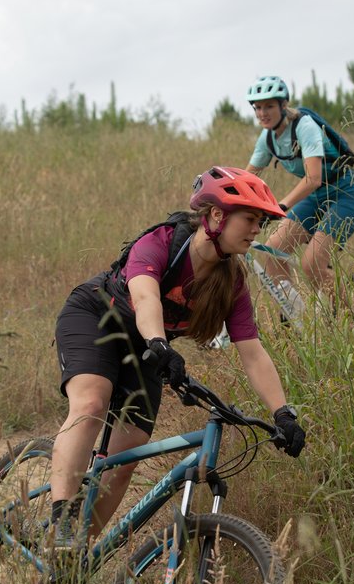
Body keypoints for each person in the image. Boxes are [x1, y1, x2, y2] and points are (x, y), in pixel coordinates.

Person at [49, 165, 307, 547]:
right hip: (97, 317)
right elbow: (145, 297)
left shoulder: (232, 282)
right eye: (250, 219)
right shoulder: (164, 241)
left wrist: (283, 414)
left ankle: (72, 559)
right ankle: (62, 522)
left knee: (126, 459)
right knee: (91, 403)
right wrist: (159, 343)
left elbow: (252, 352)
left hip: (149, 347)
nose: (257, 230)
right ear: (217, 216)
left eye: (261, 223)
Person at [245, 75, 354, 310]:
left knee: (312, 263)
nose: (262, 113)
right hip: (315, 198)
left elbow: (313, 179)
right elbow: (248, 178)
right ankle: (298, 318)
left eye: (269, 106)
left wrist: (280, 206)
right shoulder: (267, 137)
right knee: (273, 251)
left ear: (283, 105)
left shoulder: (304, 126)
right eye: (258, 107)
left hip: (345, 193)